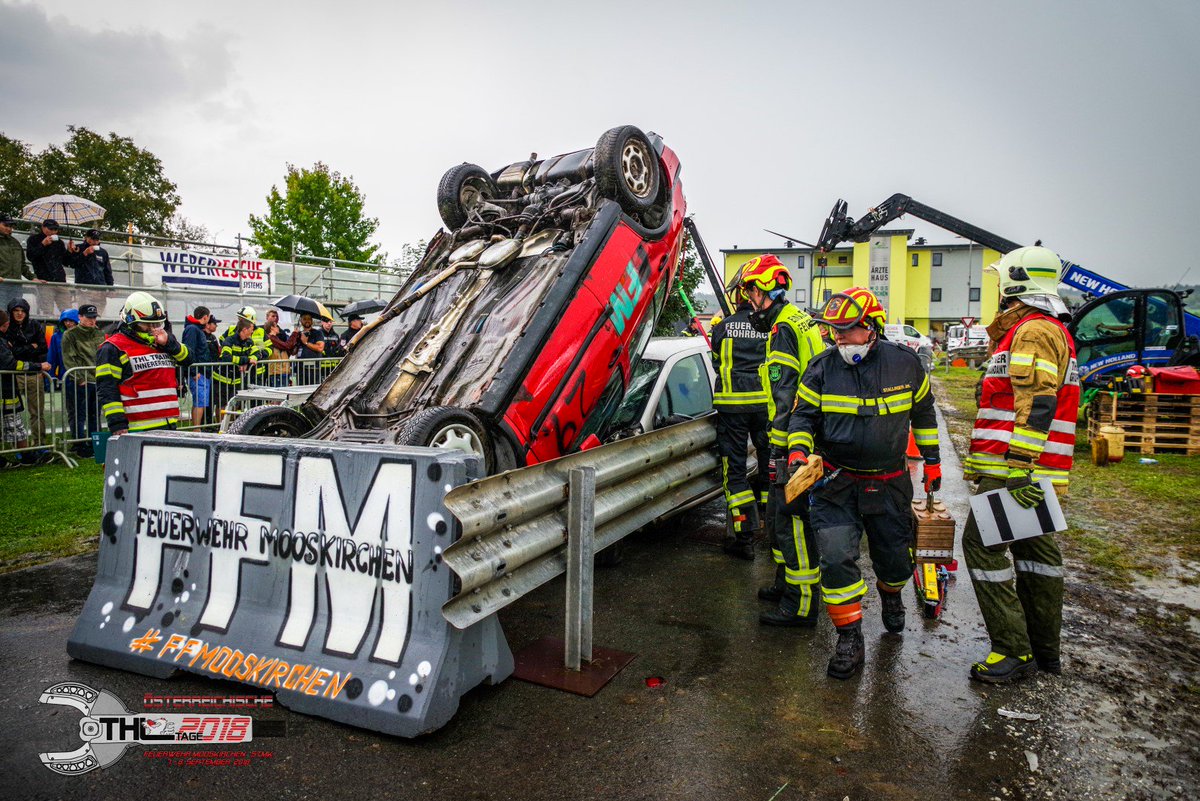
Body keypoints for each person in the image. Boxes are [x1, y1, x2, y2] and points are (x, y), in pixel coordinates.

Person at [787, 287, 941, 679]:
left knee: (893, 561)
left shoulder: (905, 365)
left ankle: (892, 596)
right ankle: (849, 638)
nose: (838, 338)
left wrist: (934, 462)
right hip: (837, 482)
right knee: (836, 558)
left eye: (847, 331)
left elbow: (923, 416)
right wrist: (798, 452)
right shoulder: (821, 367)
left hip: (889, 483)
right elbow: (802, 417)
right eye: (833, 331)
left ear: (871, 328)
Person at [962, 245, 1079, 683]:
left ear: (1014, 281)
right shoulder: (1048, 329)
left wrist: (1020, 468)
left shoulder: (1032, 332)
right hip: (1030, 469)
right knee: (1036, 555)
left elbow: (1039, 402)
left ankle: (1013, 650)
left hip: (1014, 469)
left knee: (982, 545)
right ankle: (1044, 650)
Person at [735, 255, 827, 626]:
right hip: (803, 437)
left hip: (794, 443)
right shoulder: (797, 319)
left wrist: (782, 448)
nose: (749, 302)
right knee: (779, 517)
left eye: (750, 294)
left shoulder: (782, 330)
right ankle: (784, 582)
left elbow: (786, 393)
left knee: (792, 522)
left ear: (763, 291)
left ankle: (801, 604)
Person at [710, 286, 770, 561]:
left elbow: (716, 363)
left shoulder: (722, 327)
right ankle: (771, 523)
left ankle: (744, 539)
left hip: (732, 408)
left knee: (734, 472)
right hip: (763, 406)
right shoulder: (766, 326)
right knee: (769, 460)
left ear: (736, 300)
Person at [96, 291, 191, 435]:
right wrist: (117, 423)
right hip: (137, 427)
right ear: (131, 321)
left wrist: (171, 344)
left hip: (169, 422)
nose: (154, 329)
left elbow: (189, 359)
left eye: (157, 324)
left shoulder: (163, 342)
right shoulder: (112, 348)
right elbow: (107, 389)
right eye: (147, 325)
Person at [0, 308, 52, 466]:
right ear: (6, 323)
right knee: (14, 424)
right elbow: (11, 363)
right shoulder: (2, 341)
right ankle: (27, 456)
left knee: (13, 423)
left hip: (6, 390)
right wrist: (38, 366)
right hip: (5, 389)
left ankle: (22, 456)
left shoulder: (4, 339)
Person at [61, 304, 106, 455]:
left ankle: (95, 445)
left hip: (97, 380)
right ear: (80, 317)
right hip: (80, 381)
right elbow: (69, 359)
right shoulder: (70, 334)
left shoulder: (99, 333)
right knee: (78, 414)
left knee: (94, 414)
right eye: (89, 317)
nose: (92, 320)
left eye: (94, 317)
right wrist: (80, 379)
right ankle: (79, 445)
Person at [25, 219, 74, 314]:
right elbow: (31, 256)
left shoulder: (59, 242)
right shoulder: (33, 239)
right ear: (43, 227)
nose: (53, 232)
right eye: (50, 229)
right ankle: (47, 328)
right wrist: (43, 244)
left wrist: (69, 251)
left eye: (55, 229)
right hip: (44, 281)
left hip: (60, 281)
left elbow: (65, 262)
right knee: (47, 312)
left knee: (68, 311)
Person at [214, 319, 260, 418]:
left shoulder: (249, 342)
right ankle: (221, 426)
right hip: (222, 378)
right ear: (244, 329)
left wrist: (252, 359)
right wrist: (246, 360)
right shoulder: (229, 340)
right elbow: (226, 357)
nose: (252, 332)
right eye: (251, 329)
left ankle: (231, 425)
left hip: (236, 379)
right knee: (221, 404)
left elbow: (257, 354)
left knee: (234, 403)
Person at [67, 230, 115, 309]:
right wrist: (85, 254)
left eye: (97, 239)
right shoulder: (78, 248)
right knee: (85, 315)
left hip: (100, 289)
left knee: (99, 316)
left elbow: (107, 271)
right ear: (86, 238)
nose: (95, 242)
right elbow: (72, 264)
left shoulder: (103, 252)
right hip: (84, 289)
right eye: (92, 239)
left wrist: (110, 288)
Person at [181, 306, 212, 427]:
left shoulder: (195, 329)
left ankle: (197, 427)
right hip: (199, 373)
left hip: (202, 372)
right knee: (200, 402)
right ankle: (196, 429)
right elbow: (190, 351)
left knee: (201, 402)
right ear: (205, 317)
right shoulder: (193, 329)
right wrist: (194, 372)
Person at [0, 214, 35, 308]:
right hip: (1, 284)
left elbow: (22, 266)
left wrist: (33, 278)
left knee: (15, 312)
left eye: (11, 226)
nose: (9, 228)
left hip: (16, 285)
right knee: (2, 315)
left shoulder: (15, 242)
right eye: (6, 225)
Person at [289, 313, 326, 384]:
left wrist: (306, 342)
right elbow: (293, 352)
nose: (307, 321)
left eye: (309, 319)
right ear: (301, 320)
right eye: (304, 319)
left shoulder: (318, 333)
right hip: (300, 369)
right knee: (301, 390)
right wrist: (294, 337)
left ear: (312, 321)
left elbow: (320, 348)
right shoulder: (299, 334)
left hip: (313, 369)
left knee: (313, 390)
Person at [47, 308, 79, 381]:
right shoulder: (56, 337)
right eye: (65, 320)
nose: (68, 323)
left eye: (71, 320)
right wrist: (50, 382)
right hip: (65, 377)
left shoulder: (85, 335)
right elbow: (51, 360)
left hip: (84, 378)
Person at [264, 317, 294, 387]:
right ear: (272, 328)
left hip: (281, 371)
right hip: (277, 372)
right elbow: (287, 346)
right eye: (277, 326)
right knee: (279, 395)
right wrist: (294, 334)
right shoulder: (271, 338)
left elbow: (287, 349)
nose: (278, 328)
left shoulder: (275, 338)